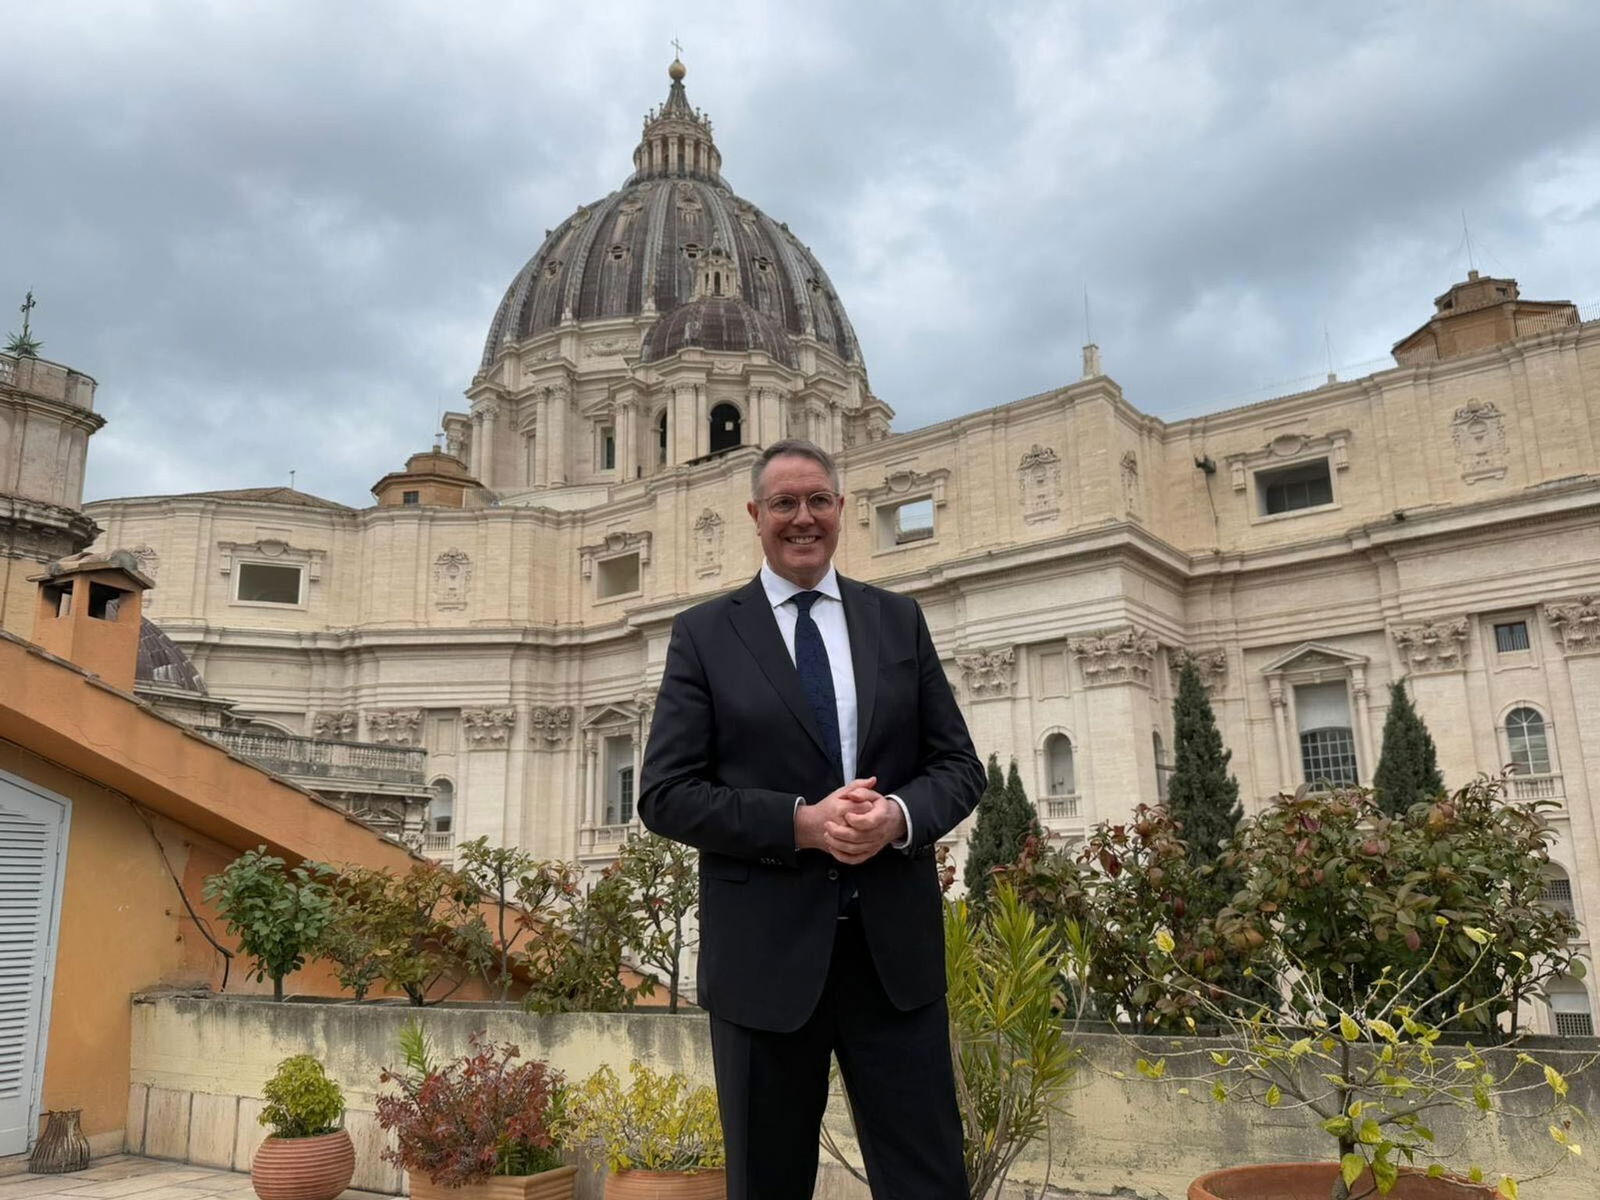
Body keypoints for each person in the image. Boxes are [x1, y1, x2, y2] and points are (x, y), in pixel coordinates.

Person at [639, 438, 985, 1199]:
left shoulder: (898, 620)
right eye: (786, 504)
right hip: (764, 965)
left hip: (892, 959)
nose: (804, 519)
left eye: (818, 501)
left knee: (929, 1182)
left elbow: (960, 767)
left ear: (841, 510)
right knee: (767, 1184)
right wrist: (800, 824)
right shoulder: (704, 634)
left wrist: (895, 817)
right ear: (756, 516)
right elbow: (664, 792)